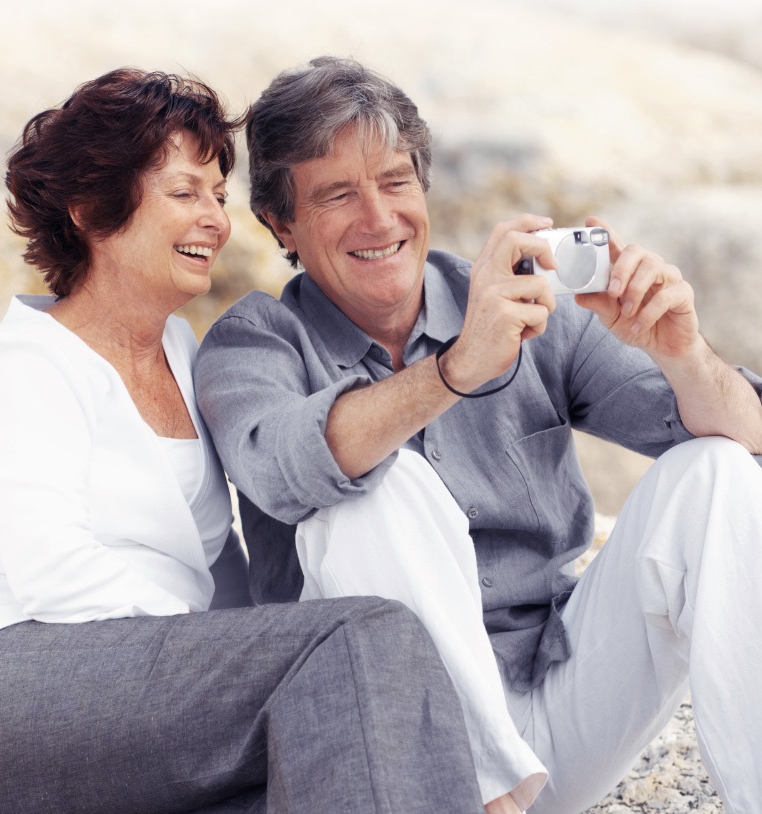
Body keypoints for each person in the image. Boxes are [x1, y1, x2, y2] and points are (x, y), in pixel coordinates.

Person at [194, 56, 762, 814]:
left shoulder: (517, 301)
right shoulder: (254, 342)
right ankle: (491, 802)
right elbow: (281, 472)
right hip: (397, 746)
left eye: (395, 181)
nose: (379, 218)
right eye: (338, 194)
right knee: (374, 484)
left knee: (716, 469)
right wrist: (457, 369)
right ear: (280, 223)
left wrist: (680, 349)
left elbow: (750, 436)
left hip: (562, 697)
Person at [0, 67, 488, 814]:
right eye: (186, 193)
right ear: (92, 208)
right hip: (7, 689)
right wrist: (231, 656)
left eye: (219, 196)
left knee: (343, 746)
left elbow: (224, 568)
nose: (216, 219)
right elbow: (54, 574)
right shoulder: (26, 360)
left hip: (149, 700)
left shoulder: (186, 357)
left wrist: (249, 660)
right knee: (358, 638)